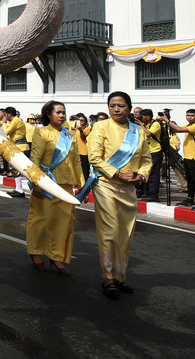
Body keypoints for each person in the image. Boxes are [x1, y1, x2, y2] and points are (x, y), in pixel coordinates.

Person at [87, 91, 152, 299]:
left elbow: (146, 160)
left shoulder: (137, 132)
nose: (116, 109)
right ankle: (107, 278)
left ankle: (119, 277)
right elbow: (94, 158)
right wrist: (117, 173)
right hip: (106, 184)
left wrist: (140, 176)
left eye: (121, 106)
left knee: (126, 232)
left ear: (129, 108)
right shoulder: (100, 127)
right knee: (110, 228)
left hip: (129, 187)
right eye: (112, 105)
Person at [27, 100, 84, 274]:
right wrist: (35, 182)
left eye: (63, 112)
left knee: (63, 223)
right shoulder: (41, 132)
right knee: (41, 220)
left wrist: (81, 185)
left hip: (66, 185)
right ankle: (36, 252)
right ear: (49, 115)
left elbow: (76, 161)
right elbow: (35, 158)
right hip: (46, 184)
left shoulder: (70, 135)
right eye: (58, 112)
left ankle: (56, 256)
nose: (61, 115)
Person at [158, 109, 195, 210]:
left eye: (192, 116)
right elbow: (176, 129)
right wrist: (167, 120)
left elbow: (179, 130)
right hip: (187, 156)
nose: (189, 117)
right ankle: (190, 198)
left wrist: (167, 121)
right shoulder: (188, 126)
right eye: (188, 115)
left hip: (194, 157)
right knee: (189, 180)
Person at [2, 107, 29, 198]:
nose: (5, 116)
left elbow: (6, 131)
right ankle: (18, 189)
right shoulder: (15, 120)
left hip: (19, 146)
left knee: (15, 167)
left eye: (5, 115)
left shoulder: (16, 120)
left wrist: (3, 123)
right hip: (18, 146)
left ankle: (20, 190)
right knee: (14, 167)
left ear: (9, 114)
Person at [72, 113, 90, 180]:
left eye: (81, 120)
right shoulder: (76, 130)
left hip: (84, 153)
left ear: (85, 122)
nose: (80, 122)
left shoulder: (87, 129)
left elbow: (83, 138)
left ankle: (85, 186)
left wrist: (81, 131)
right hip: (76, 152)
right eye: (78, 120)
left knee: (84, 171)